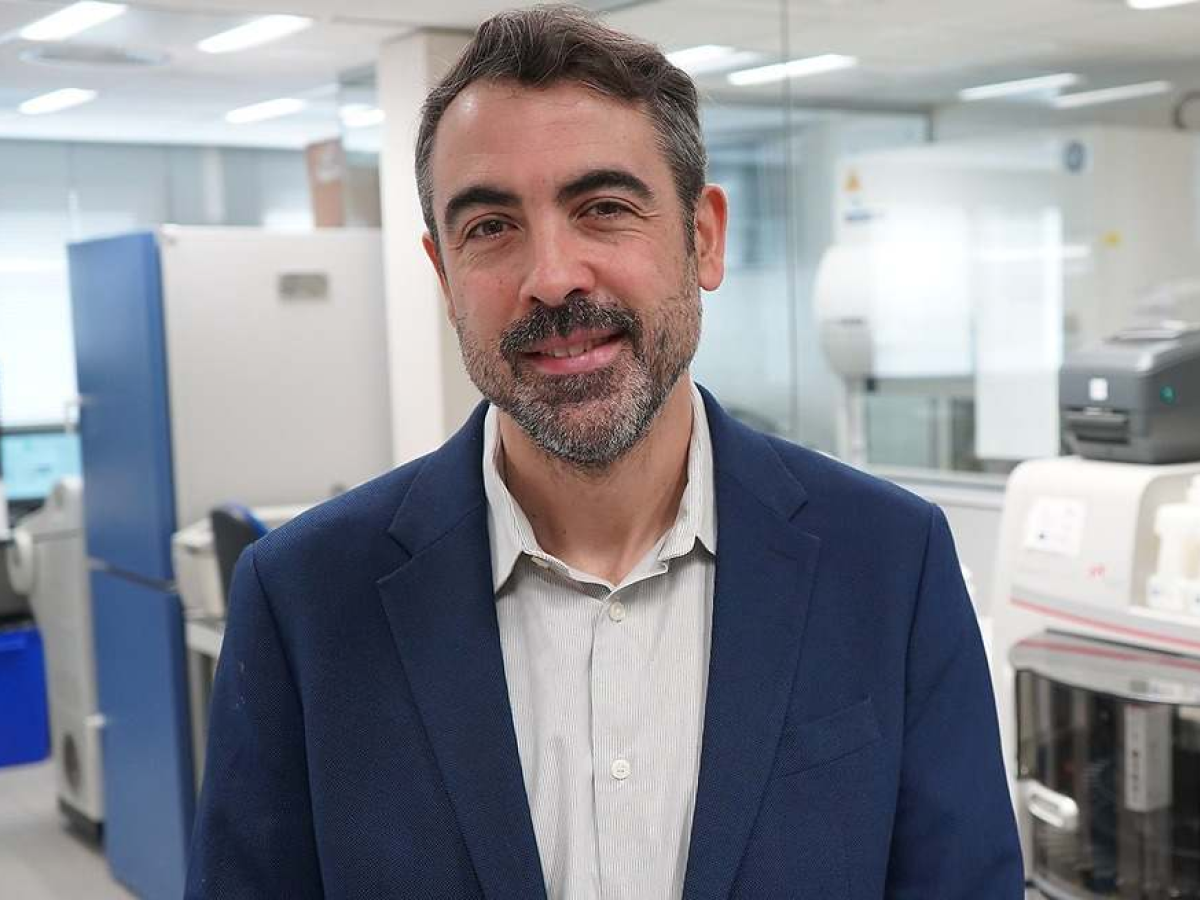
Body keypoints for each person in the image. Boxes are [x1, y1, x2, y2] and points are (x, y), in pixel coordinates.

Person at [186, 6, 1023, 899]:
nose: (552, 276)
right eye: (491, 228)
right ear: (443, 274)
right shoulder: (306, 600)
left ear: (702, 237)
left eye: (604, 209)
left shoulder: (890, 563)